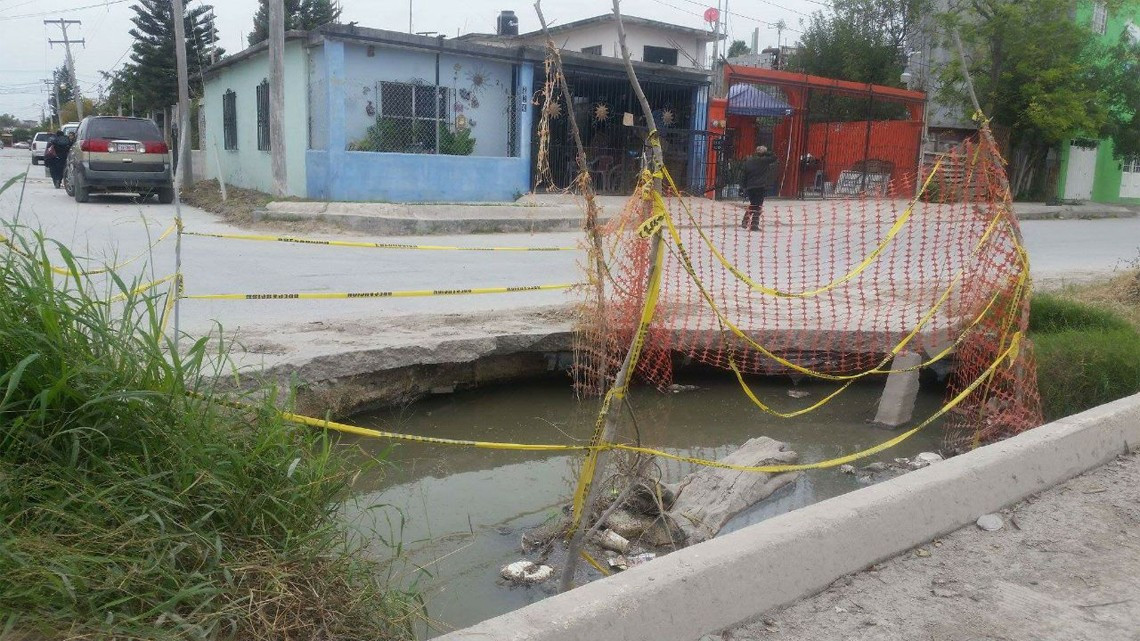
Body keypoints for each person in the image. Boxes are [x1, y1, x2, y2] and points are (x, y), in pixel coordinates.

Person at [740, 145, 776, 231]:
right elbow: (774, 157)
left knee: (753, 204)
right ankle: (754, 225)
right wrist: (767, 152)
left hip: (750, 187)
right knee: (758, 206)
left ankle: (745, 221)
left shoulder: (748, 161)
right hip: (760, 186)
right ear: (763, 153)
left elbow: (743, 175)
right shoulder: (764, 161)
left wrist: (744, 187)